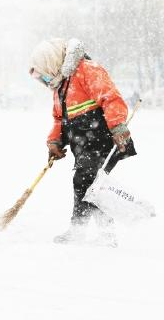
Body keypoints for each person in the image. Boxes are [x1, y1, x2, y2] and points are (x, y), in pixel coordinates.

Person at [29, 38, 136, 247]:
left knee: (85, 180)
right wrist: (54, 142)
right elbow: (60, 118)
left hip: (102, 138)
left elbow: (111, 98)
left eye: (43, 74)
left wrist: (118, 126)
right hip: (81, 142)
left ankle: (83, 230)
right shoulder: (61, 85)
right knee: (91, 185)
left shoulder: (87, 70)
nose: (44, 80)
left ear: (51, 62)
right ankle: (101, 233)